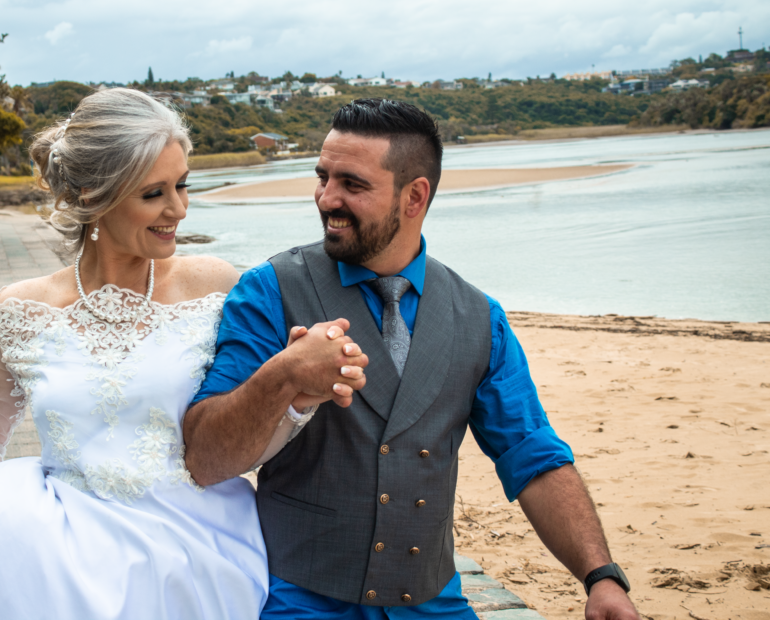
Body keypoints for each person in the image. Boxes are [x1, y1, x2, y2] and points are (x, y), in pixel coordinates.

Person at [0, 88, 369, 620]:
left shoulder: (221, 287)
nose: (177, 209)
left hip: (195, 556)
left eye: (182, 186)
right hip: (60, 565)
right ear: (92, 193)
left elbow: (240, 437)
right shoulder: (21, 309)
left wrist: (296, 398)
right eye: (154, 193)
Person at [183, 98, 642, 620]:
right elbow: (204, 458)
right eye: (322, 177)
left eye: (352, 185)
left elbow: (532, 456)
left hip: (433, 603)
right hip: (291, 599)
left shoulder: (478, 317)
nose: (326, 199)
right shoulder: (268, 290)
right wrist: (282, 375)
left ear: (414, 196)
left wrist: (600, 576)